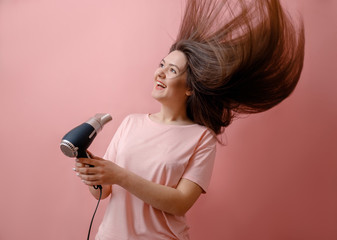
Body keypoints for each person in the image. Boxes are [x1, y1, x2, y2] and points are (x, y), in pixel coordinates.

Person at [74, 0, 305, 239]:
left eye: (172, 70)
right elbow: (104, 192)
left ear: (189, 89)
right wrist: (93, 173)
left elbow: (180, 203)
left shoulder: (201, 137)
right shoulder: (131, 123)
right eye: (162, 64)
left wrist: (119, 175)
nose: (160, 72)